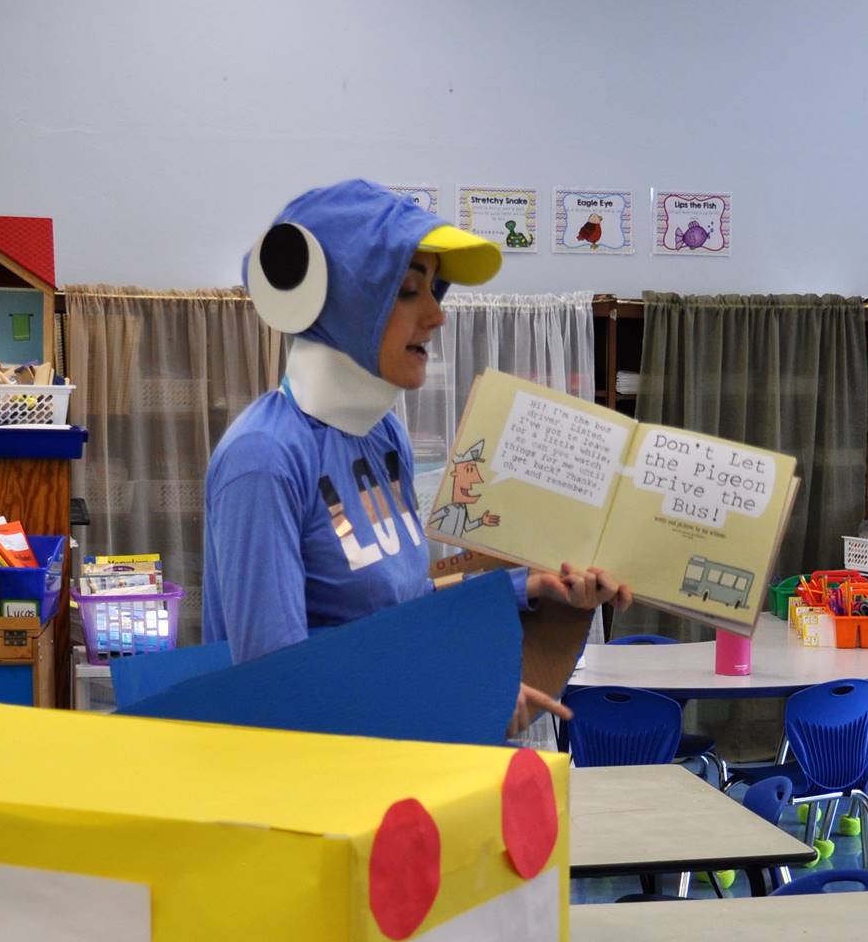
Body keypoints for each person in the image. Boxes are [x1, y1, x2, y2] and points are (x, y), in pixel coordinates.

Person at [203, 179, 627, 727]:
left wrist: (529, 587)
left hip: (384, 774)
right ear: (337, 303)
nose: (437, 314)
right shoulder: (263, 459)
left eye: (434, 290)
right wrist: (454, 698)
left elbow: (402, 605)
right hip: (304, 795)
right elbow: (279, 684)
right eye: (407, 291)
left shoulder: (383, 437)